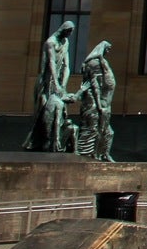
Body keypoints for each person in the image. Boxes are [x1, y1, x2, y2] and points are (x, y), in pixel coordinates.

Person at [26, 21, 77, 153]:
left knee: (60, 111)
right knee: (43, 110)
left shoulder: (65, 42)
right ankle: (38, 141)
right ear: (64, 30)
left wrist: (62, 85)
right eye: (69, 31)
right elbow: (51, 63)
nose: (70, 34)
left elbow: (67, 66)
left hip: (58, 83)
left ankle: (56, 141)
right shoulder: (51, 42)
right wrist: (55, 83)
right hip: (46, 82)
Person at [77, 40, 116, 163]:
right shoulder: (94, 63)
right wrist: (99, 105)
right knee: (94, 130)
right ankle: (92, 155)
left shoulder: (102, 62)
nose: (109, 51)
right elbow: (95, 85)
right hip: (97, 104)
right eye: (107, 49)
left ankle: (103, 154)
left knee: (108, 132)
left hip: (105, 103)